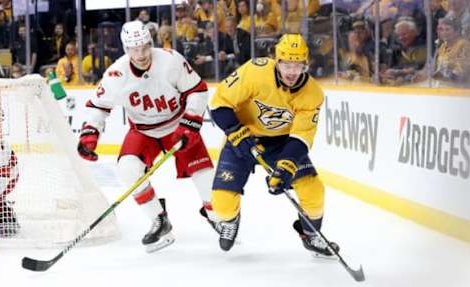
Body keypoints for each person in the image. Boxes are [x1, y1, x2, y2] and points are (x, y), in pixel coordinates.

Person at [77, 21, 218, 253]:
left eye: (144, 47)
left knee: (204, 177)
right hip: (143, 131)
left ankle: (217, 215)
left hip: (177, 126)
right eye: (134, 49)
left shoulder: (171, 60)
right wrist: (90, 134)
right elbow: (98, 107)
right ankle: (159, 219)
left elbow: (198, 91)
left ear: (150, 43)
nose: (141, 54)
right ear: (125, 49)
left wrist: (190, 122)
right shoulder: (116, 74)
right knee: (127, 169)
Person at [206, 34, 339, 257]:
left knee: (313, 191)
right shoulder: (255, 71)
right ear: (277, 61)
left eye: (298, 65)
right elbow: (219, 104)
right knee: (222, 205)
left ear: (306, 64)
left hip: (281, 143)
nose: (291, 71)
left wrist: (286, 166)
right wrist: (236, 132)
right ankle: (230, 219)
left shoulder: (313, 94)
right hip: (243, 136)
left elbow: (301, 137)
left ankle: (311, 234)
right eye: (286, 63)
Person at [0, 139, 20, 237]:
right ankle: (4, 215)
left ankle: (2, 214)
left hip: (3, 177)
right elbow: (14, 167)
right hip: (8, 178)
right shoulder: (1, 141)